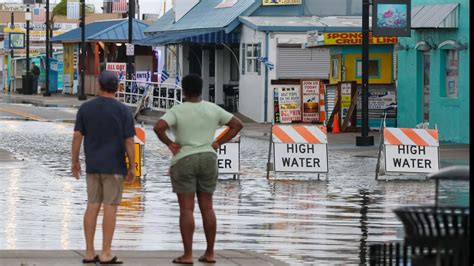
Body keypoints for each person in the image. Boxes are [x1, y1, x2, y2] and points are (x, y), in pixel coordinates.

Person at [154, 74, 243, 264]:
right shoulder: (213, 109)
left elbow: (158, 127)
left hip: (184, 159)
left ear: (184, 91)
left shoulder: (177, 110)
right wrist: (218, 143)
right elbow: (237, 125)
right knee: (208, 207)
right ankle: (210, 253)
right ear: (201, 90)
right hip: (208, 158)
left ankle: (187, 255)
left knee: (187, 209)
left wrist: (170, 143)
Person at [71, 70, 136, 264]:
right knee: (110, 208)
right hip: (115, 166)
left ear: (99, 86)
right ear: (117, 88)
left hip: (93, 166)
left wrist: (74, 161)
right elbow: (129, 141)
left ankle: (89, 252)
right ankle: (106, 252)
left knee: (92, 205)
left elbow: (77, 136)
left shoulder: (85, 108)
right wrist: (132, 166)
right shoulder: (124, 110)